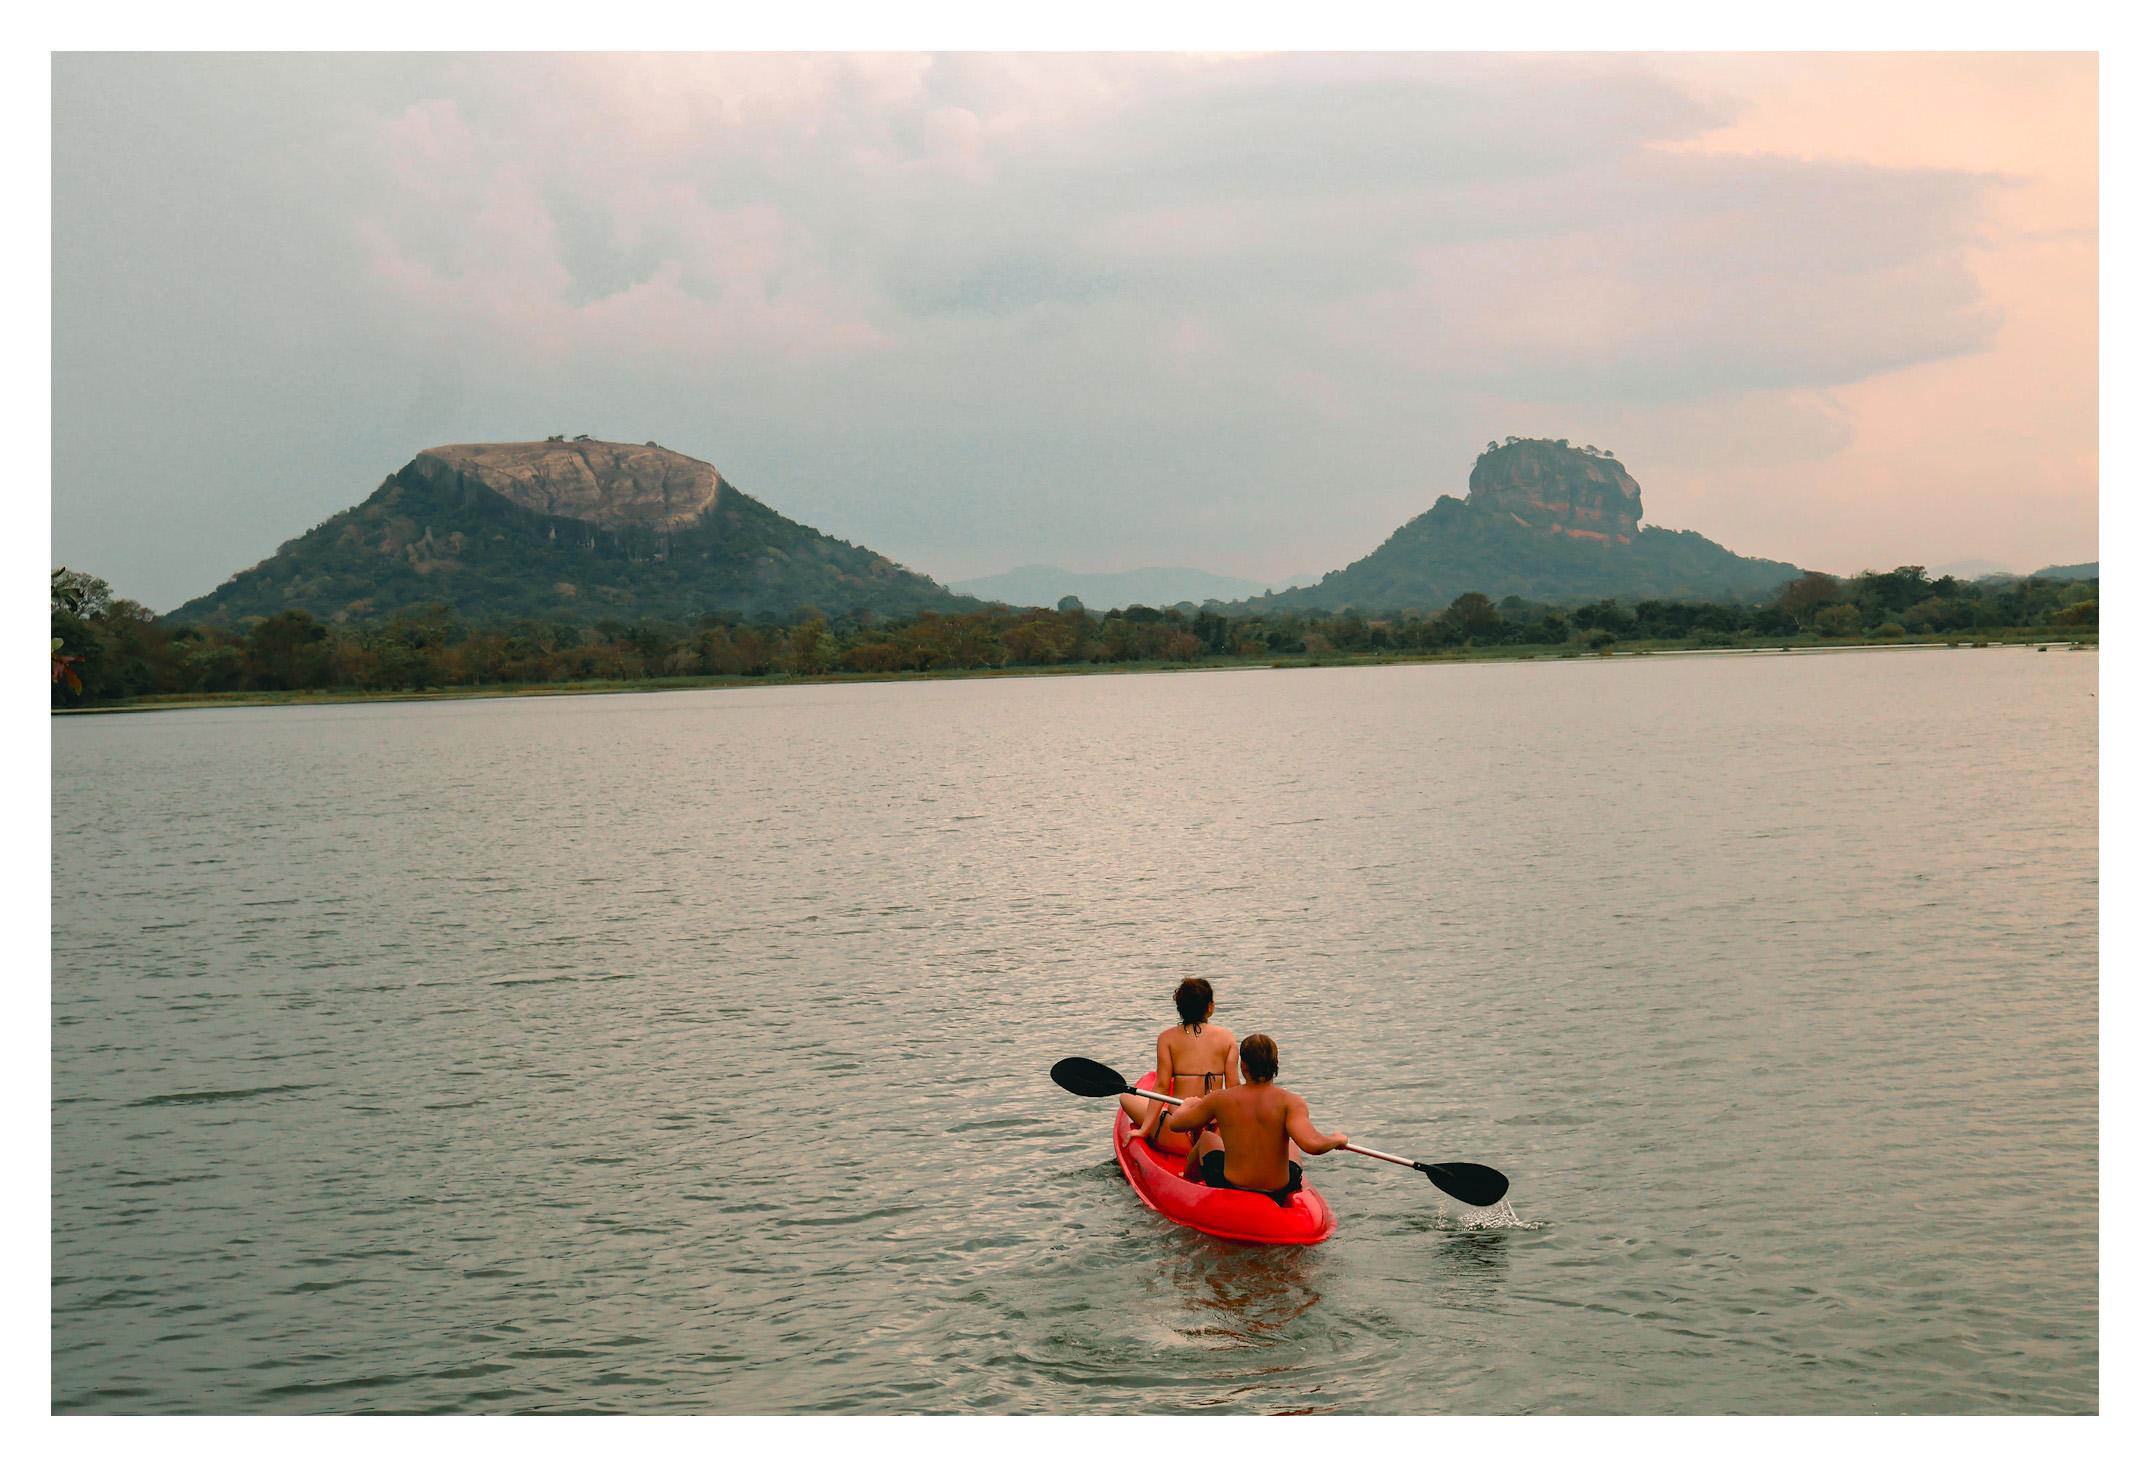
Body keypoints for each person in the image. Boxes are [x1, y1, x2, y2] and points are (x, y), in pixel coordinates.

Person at [1165, 1033, 1347, 1201]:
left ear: (1243, 1066)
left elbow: (1176, 1124)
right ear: (1275, 1066)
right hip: (1279, 1190)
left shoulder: (1220, 1099)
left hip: (1231, 1184)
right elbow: (1313, 1145)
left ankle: (1188, 1181)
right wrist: (1336, 1139)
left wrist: (1186, 1106)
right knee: (1290, 1144)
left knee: (1207, 1138)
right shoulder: (1292, 1102)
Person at [1118, 978, 1238, 1156]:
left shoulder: (1166, 1038)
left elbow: (1162, 1087)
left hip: (1178, 1136)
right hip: (1215, 1137)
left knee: (1125, 1098)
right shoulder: (1227, 1038)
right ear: (1210, 1007)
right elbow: (1233, 1090)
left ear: (1180, 1009)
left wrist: (1143, 1130)